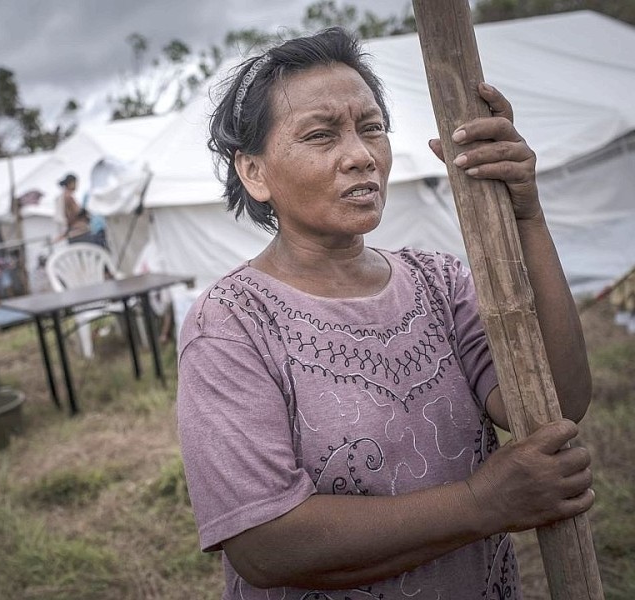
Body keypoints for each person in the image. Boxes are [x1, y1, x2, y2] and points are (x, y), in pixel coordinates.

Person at [176, 28, 593, 600]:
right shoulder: (231, 324)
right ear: (254, 172)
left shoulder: (440, 283)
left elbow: (557, 405)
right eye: (321, 135)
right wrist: (483, 503)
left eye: (371, 128)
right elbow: (266, 547)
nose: (361, 155)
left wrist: (527, 217)